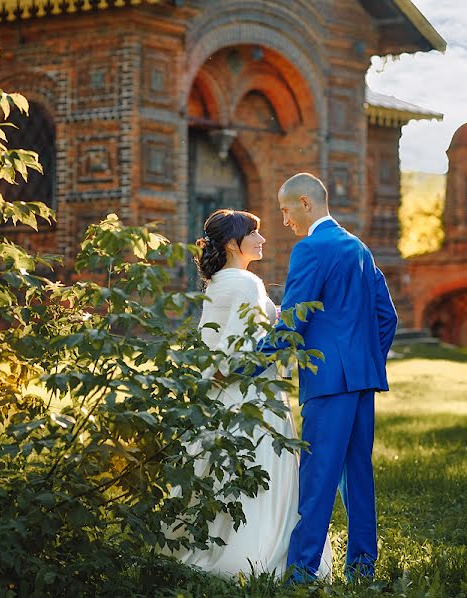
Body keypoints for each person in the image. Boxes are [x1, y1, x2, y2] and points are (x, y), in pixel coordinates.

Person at [171, 208, 331, 579]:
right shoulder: (245, 283)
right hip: (251, 395)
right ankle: (255, 557)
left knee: (225, 475)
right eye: (254, 233)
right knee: (263, 473)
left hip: (221, 395)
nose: (262, 240)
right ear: (232, 243)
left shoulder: (219, 281)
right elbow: (240, 348)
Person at [262, 173, 398, 583]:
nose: (284, 220)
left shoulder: (310, 249)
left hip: (327, 382)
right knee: (358, 475)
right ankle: (361, 568)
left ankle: (301, 573)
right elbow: (386, 317)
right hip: (361, 380)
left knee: (318, 475)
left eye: (285, 210)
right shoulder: (359, 248)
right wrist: (365, 360)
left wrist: (242, 366)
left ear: (305, 203)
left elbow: (292, 322)